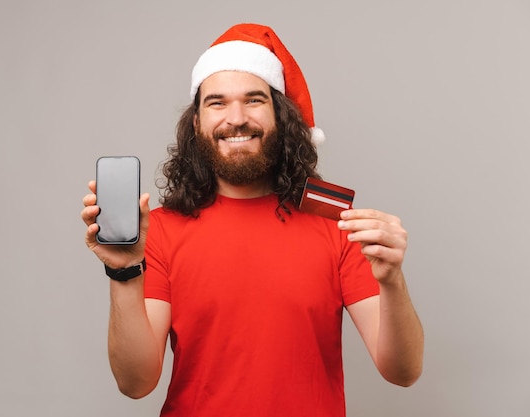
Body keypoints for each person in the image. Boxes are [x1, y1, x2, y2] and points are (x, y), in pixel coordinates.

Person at [81, 23, 423, 417]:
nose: (236, 118)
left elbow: (404, 372)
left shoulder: (337, 224)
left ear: (280, 117)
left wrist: (393, 280)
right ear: (196, 123)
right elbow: (136, 384)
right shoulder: (158, 230)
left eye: (254, 100)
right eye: (217, 103)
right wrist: (125, 271)